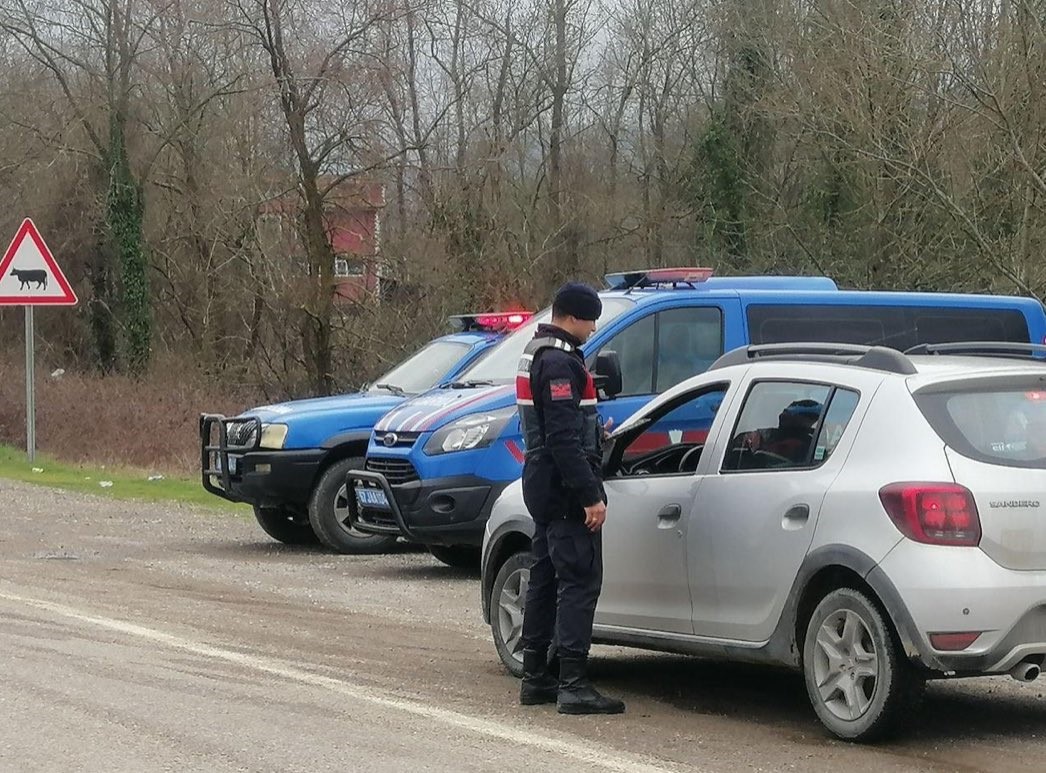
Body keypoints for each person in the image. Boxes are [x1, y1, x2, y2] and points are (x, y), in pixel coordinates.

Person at [514, 282, 625, 715]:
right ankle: (573, 684)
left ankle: (535, 677)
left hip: (541, 481)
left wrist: (595, 434)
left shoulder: (536, 352)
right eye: (590, 320)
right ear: (573, 317)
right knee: (580, 580)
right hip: (563, 487)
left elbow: (555, 427)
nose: (593, 328)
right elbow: (561, 438)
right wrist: (590, 494)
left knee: (544, 578)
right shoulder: (560, 362)